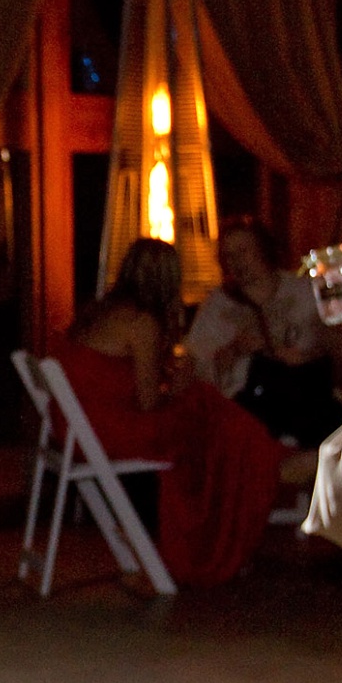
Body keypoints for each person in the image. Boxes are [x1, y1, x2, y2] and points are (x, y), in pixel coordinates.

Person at [59, 238, 301, 588]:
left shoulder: (105, 311)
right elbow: (148, 403)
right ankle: (261, 468)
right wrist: (179, 384)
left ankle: (261, 460)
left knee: (206, 412)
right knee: (205, 415)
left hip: (82, 428)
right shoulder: (142, 321)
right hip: (110, 429)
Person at [183, 217, 342, 446]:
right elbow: (198, 368)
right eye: (229, 256)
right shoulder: (218, 305)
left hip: (309, 399)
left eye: (243, 251)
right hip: (249, 411)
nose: (237, 262)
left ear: (263, 249)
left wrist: (307, 358)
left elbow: (340, 348)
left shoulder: (303, 291)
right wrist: (236, 349)